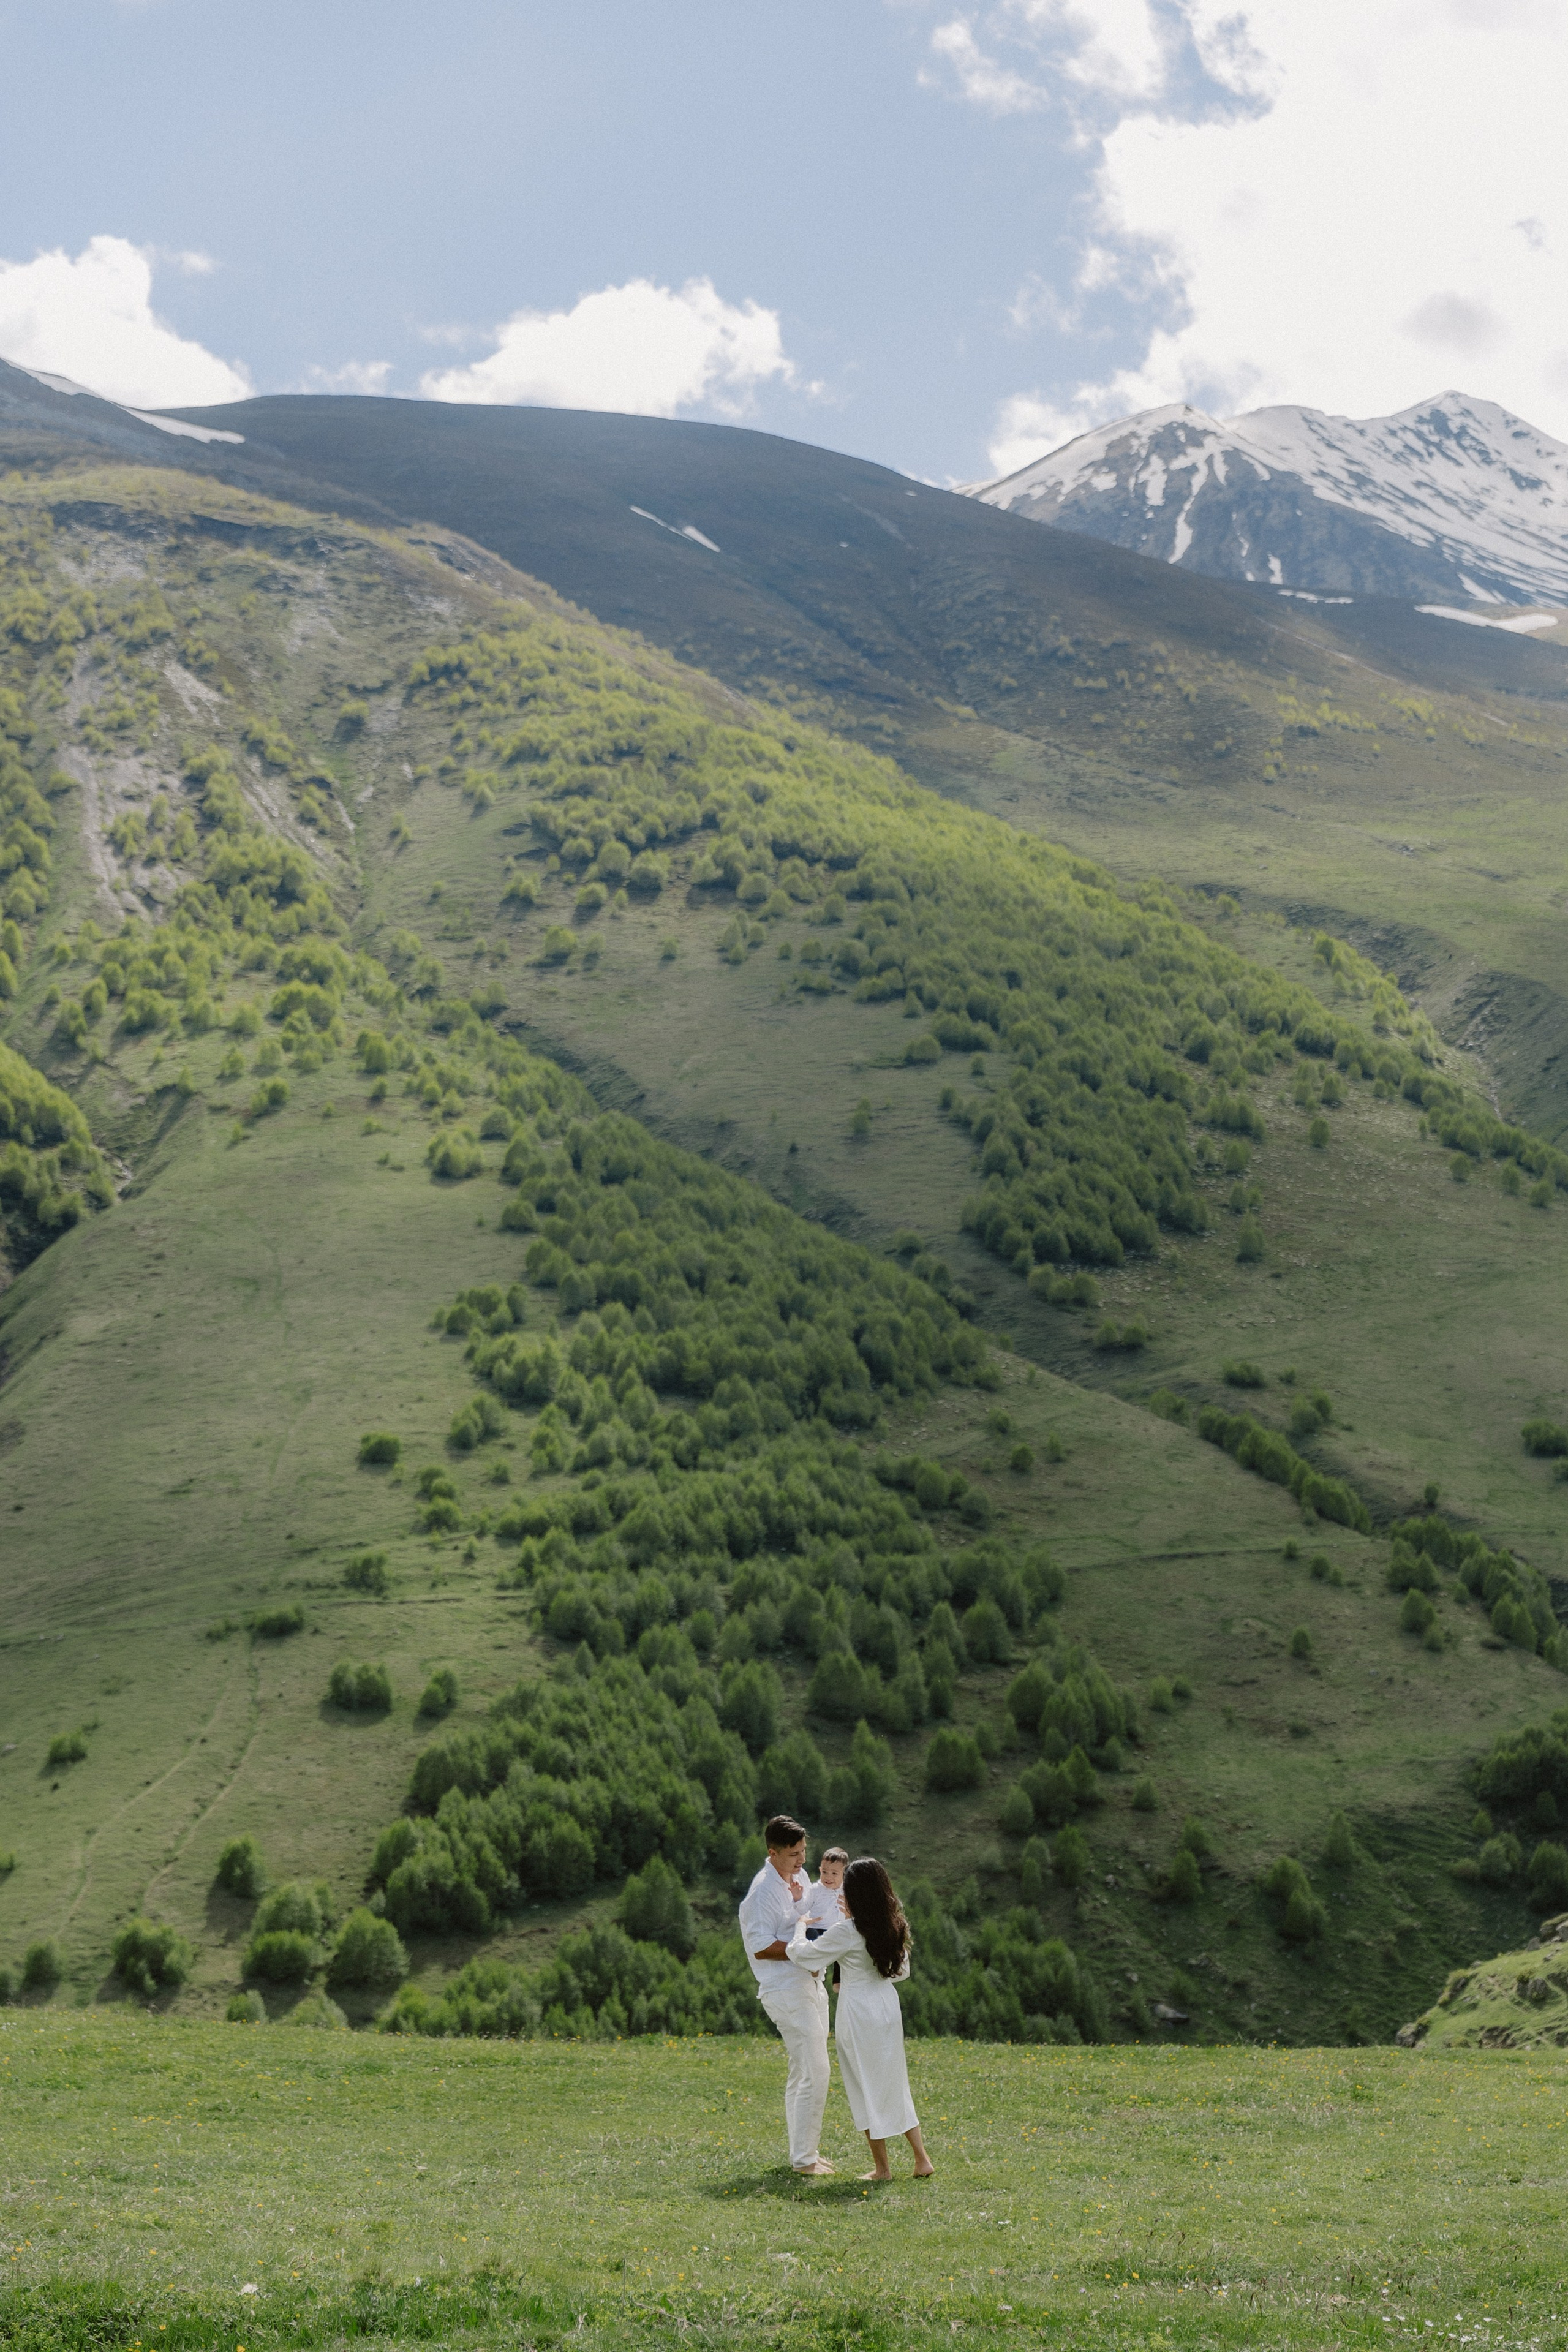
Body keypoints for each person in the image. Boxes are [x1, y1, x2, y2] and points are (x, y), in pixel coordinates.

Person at [788, 1856, 933, 2182]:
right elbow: (901, 1972)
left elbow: (803, 1955)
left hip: (858, 2009)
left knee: (863, 2083)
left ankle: (883, 2169)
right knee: (894, 2080)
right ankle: (921, 2159)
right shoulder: (893, 1924)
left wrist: (800, 1927)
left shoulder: (848, 1931)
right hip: (886, 2004)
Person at [737, 1814, 834, 2176]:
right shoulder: (762, 1890)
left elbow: (807, 1919)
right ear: (772, 1852)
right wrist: (807, 1951)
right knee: (815, 2071)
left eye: (804, 1851)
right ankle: (805, 2162)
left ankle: (804, 2153)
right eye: (794, 1854)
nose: (802, 1860)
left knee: (803, 2071)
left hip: (811, 1981)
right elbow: (761, 1946)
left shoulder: (798, 1878)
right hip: (784, 1987)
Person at [804, 1846, 849, 1940]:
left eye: (834, 1873)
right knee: (812, 1936)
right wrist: (797, 1899)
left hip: (835, 1931)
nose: (828, 1877)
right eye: (825, 1872)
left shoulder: (846, 1891)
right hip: (816, 1928)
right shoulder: (816, 1889)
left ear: (844, 1873)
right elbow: (803, 1908)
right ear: (820, 1870)